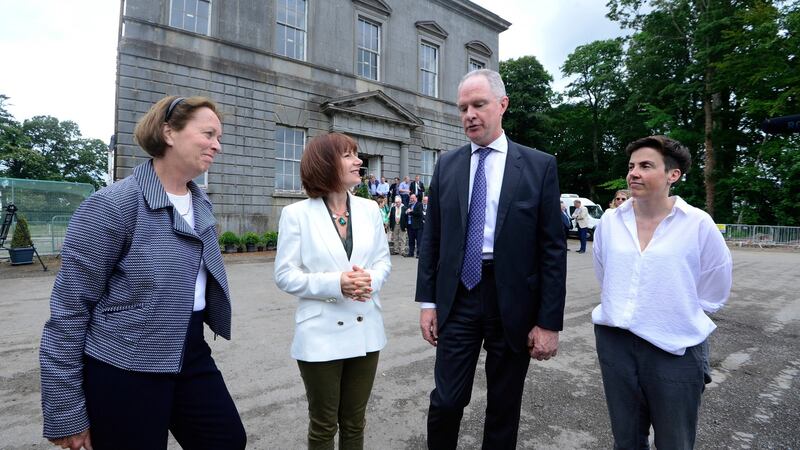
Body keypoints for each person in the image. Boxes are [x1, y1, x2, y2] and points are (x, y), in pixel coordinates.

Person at [39, 95, 246, 450]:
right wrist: (65, 412)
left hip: (189, 350)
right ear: (168, 132)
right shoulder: (113, 205)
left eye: (219, 137)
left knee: (226, 440)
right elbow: (69, 310)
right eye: (209, 134)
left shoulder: (200, 202)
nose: (217, 145)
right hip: (123, 364)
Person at [415, 69, 567, 449]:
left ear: (502, 105)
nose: (469, 114)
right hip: (460, 295)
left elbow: (552, 249)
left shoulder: (538, 166)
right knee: (447, 400)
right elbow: (432, 238)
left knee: (503, 404)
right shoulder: (447, 165)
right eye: (463, 107)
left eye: (478, 104)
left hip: (512, 299)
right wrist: (428, 302)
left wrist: (548, 323)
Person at [592, 135, 732, 449]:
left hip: (673, 350)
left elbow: (714, 288)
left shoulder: (697, 224)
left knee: (674, 442)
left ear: (673, 175)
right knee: (626, 440)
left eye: (645, 166)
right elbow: (607, 276)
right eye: (631, 166)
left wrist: (671, 312)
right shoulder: (610, 223)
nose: (633, 173)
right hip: (616, 344)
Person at [274, 132, 391, 450]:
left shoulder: (369, 209)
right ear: (326, 164)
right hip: (319, 333)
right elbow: (285, 275)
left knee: (355, 421)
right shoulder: (296, 214)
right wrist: (336, 283)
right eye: (349, 155)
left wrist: (370, 281)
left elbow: (382, 261)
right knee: (324, 424)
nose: (359, 161)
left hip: (366, 328)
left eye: (357, 154)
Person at [405, 193, 424, 258]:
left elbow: (419, 213)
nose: (411, 199)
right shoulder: (409, 205)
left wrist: (410, 212)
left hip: (418, 226)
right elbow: (407, 212)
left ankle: (419, 254)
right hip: (410, 226)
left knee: (419, 241)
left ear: (416, 198)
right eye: (411, 198)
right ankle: (411, 253)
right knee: (411, 240)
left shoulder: (419, 204)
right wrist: (407, 212)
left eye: (413, 198)